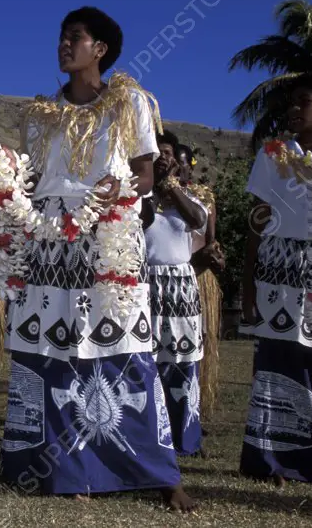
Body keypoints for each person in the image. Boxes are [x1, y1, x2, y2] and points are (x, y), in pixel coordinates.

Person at [0, 6, 195, 511]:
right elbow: (30, 183)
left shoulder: (128, 103)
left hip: (110, 235)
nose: (65, 45)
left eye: (76, 37)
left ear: (100, 49)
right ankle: (54, 468)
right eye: (62, 37)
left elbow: (146, 176)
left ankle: (159, 474)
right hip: (48, 239)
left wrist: (117, 189)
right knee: (51, 345)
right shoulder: (41, 115)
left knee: (124, 345)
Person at [239, 72, 312, 485]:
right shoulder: (273, 153)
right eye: (292, 102)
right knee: (277, 363)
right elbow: (257, 219)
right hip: (277, 268)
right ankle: (271, 461)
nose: (295, 109)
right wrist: (248, 282)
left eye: (305, 101)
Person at [144, 131, 208, 456]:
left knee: (181, 360)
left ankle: (184, 439)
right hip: (146, 284)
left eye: (167, 153)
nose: (163, 158)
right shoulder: (139, 200)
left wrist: (172, 189)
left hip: (181, 286)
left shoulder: (190, 202)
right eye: (156, 153)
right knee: (149, 359)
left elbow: (199, 221)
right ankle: (151, 434)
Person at [178, 144, 225, 426]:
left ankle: (198, 408)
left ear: (191, 166)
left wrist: (215, 257)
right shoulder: (162, 197)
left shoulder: (204, 197)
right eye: (177, 163)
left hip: (200, 275)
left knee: (202, 340)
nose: (181, 168)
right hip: (176, 272)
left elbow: (211, 238)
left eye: (185, 164)